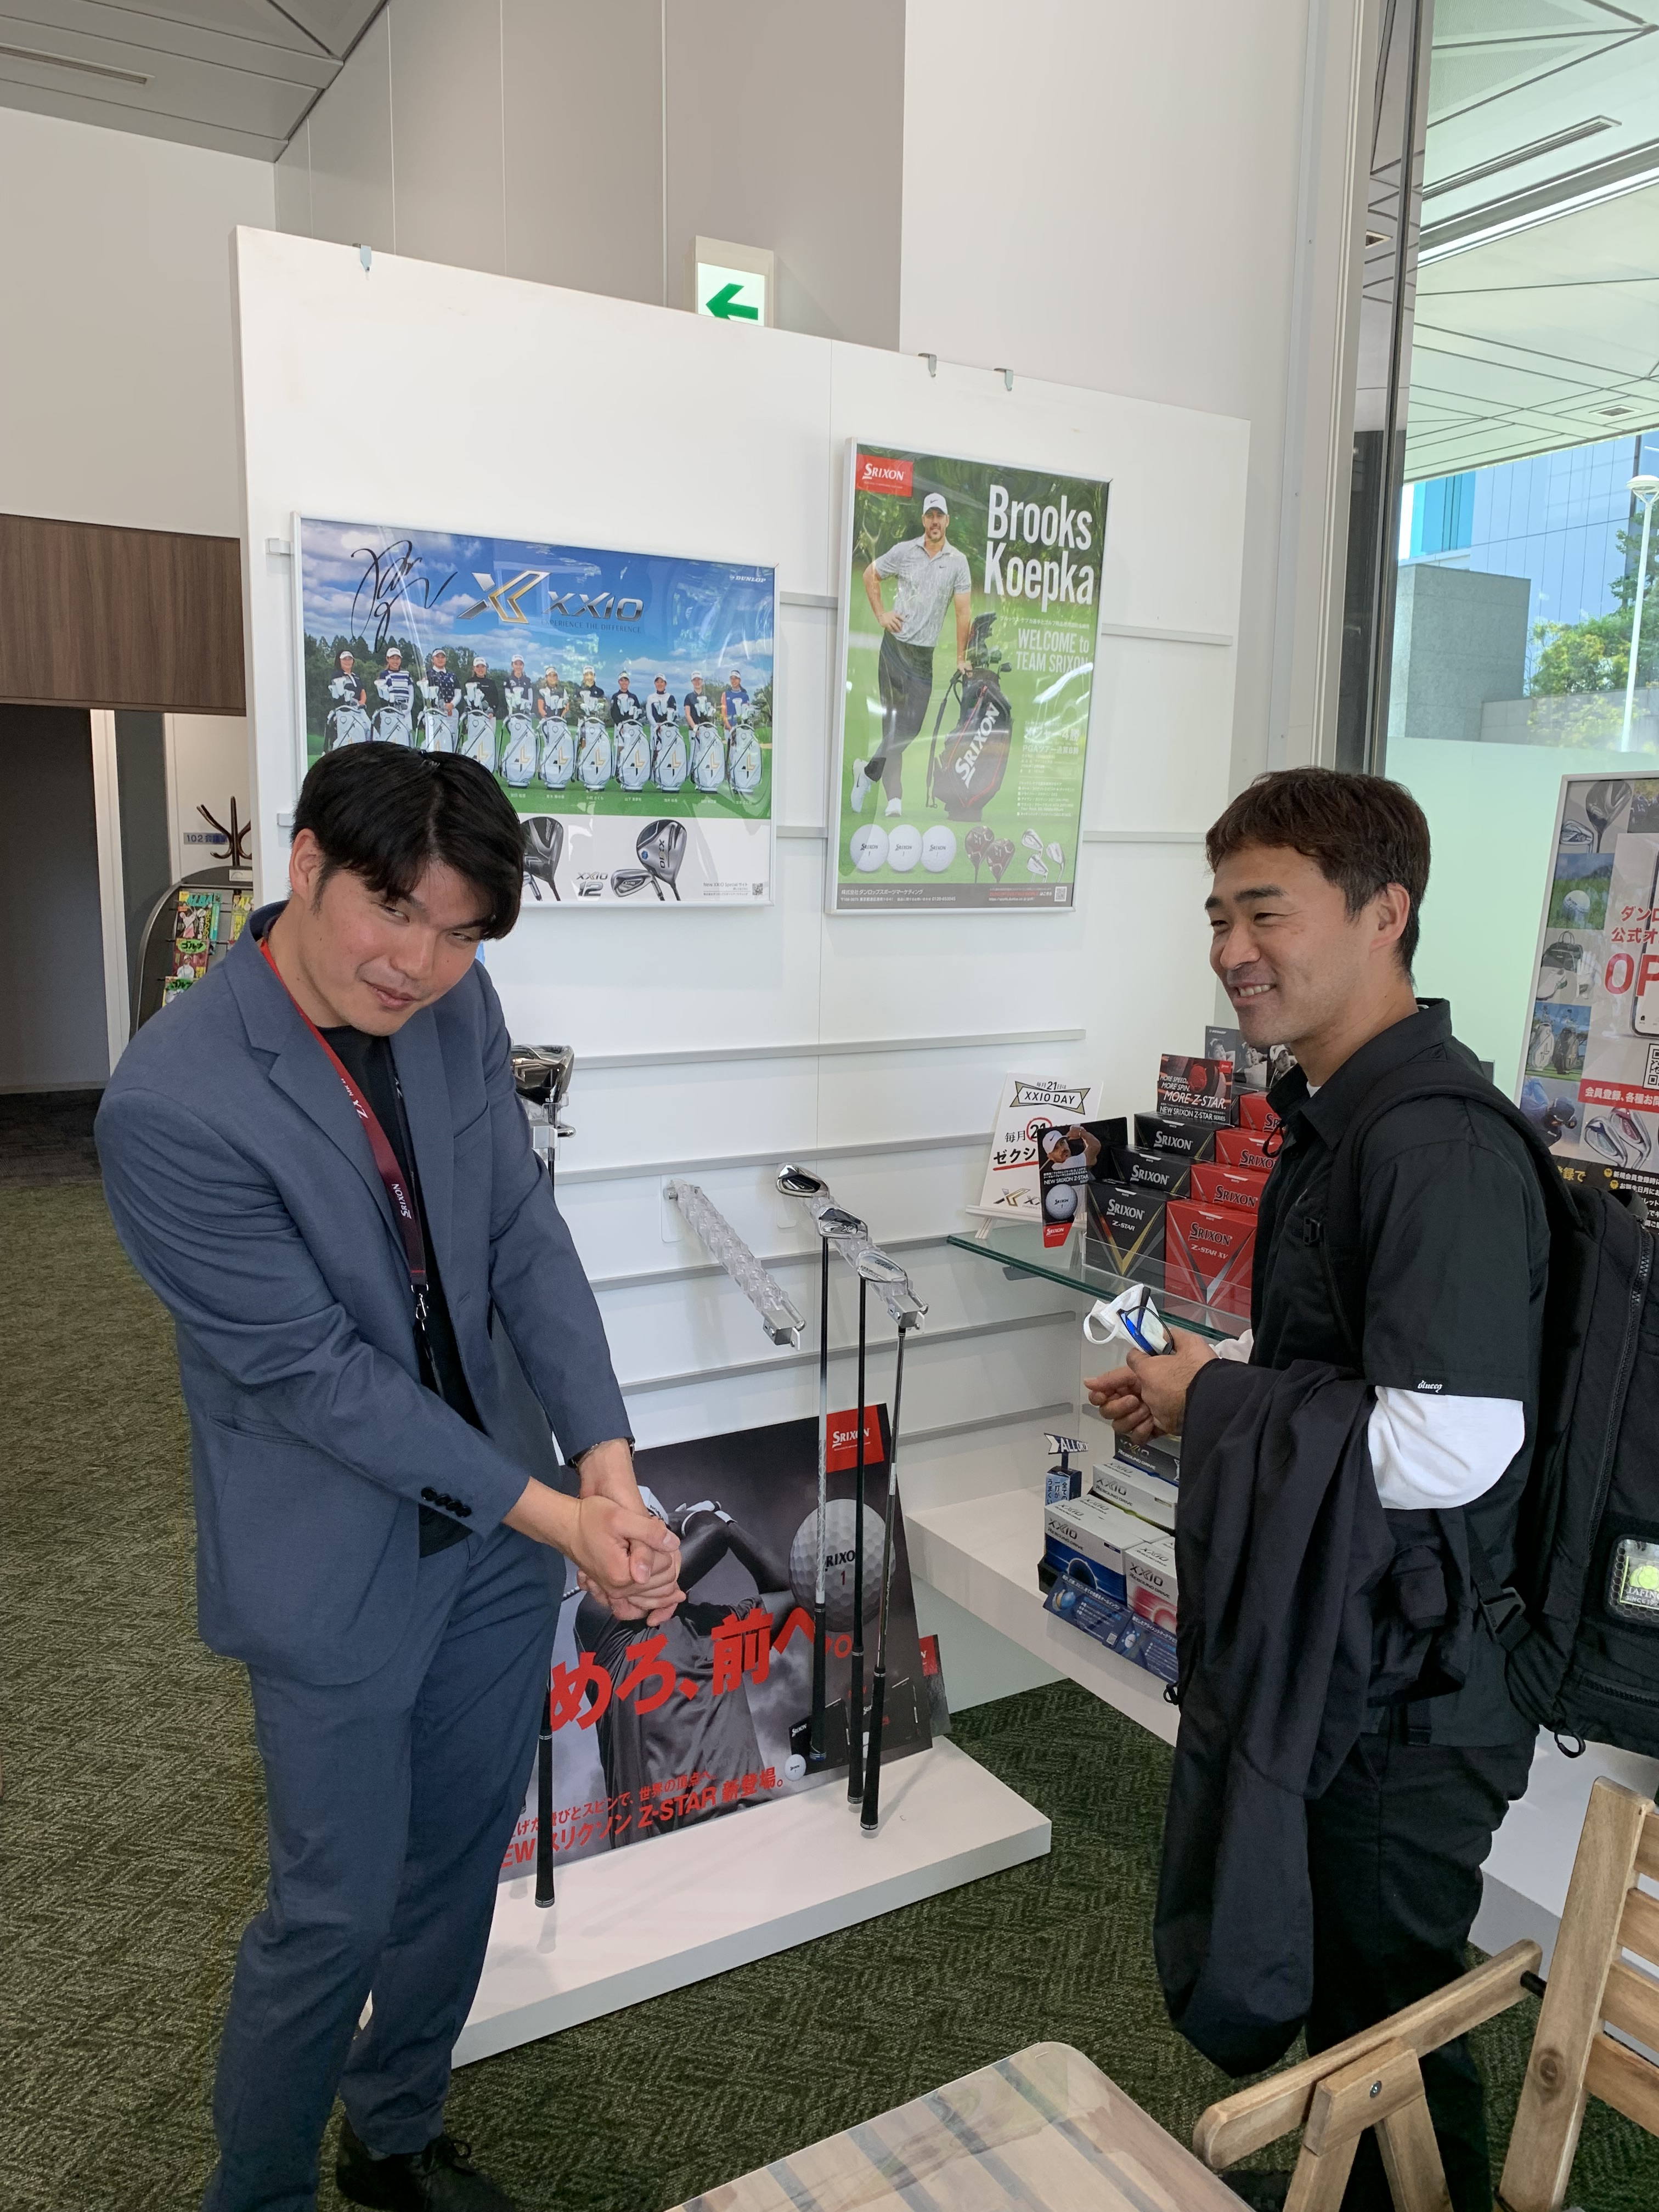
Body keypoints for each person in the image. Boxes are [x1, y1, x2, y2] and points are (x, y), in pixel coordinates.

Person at [97, 746, 683, 2212]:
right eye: (393, 910)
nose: (417, 963)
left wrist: (607, 1471)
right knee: (332, 1915)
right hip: (333, 1559)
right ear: (306, 865)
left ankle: (396, 2134)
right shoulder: (170, 1103)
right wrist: (560, 1514)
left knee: (455, 1868)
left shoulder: (455, 1008)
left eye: (460, 932)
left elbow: (520, 1239)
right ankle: (260, 2191)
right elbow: (315, 1377)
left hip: (497, 1540)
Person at [1087, 768, 1546, 2212]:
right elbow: (1346, 1364)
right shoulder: (1341, 1115)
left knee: (1392, 2027)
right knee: (1359, 2011)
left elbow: (1456, 1444)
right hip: (1358, 1643)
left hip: (1416, 1690)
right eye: (1218, 917)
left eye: (1266, 913)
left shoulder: (1434, 1146)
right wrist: (1212, 1380)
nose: (1232, 949)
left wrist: (1215, 1406)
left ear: (1384, 912)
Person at [854, 490, 972, 817]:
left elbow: (963, 613)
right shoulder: (905, 551)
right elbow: (870, 574)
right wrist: (882, 615)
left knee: (911, 727)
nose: (935, 522)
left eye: (940, 516)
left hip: (923, 659)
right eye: (930, 516)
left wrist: (960, 658)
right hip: (894, 650)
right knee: (893, 727)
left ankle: (866, 773)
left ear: (947, 521)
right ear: (924, 520)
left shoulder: (958, 562)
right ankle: (895, 798)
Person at [461, 653, 502, 771]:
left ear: (486, 668)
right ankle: (473, 767)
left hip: (489, 717)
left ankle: (488, 767)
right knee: (474, 741)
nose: (480, 669)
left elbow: (496, 700)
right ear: (474, 669)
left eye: (483, 667)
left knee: (488, 742)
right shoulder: (470, 682)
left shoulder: (491, 683)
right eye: (478, 667)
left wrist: (492, 711)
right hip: (474, 718)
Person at [374, 645, 416, 747]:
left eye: (397, 658)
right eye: (392, 658)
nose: (395, 661)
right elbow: (383, 695)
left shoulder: (406, 674)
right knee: (389, 738)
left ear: (401, 660)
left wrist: (408, 710)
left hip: (405, 710)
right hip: (390, 711)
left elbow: (411, 693)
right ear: (388, 659)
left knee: (405, 739)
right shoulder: (384, 674)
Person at [419, 648, 459, 754]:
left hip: (451, 712)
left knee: (451, 739)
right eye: (438, 657)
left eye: (443, 657)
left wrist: (452, 705)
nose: (440, 659)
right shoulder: (427, 674)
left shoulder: (452, 676)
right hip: (434, 712)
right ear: (433, 659)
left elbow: (458, 693)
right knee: (433, 740)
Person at [328, 650, 370, 749]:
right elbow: (338, 694)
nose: (347, 661)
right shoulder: (337, 675)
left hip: (358, 710)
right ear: (340, 661)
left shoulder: (356, 677)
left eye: (349, 659)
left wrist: (361, 703)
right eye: (344, 659)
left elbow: (362, 692)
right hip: (344, 711)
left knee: (368, 731)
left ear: (353, 661)